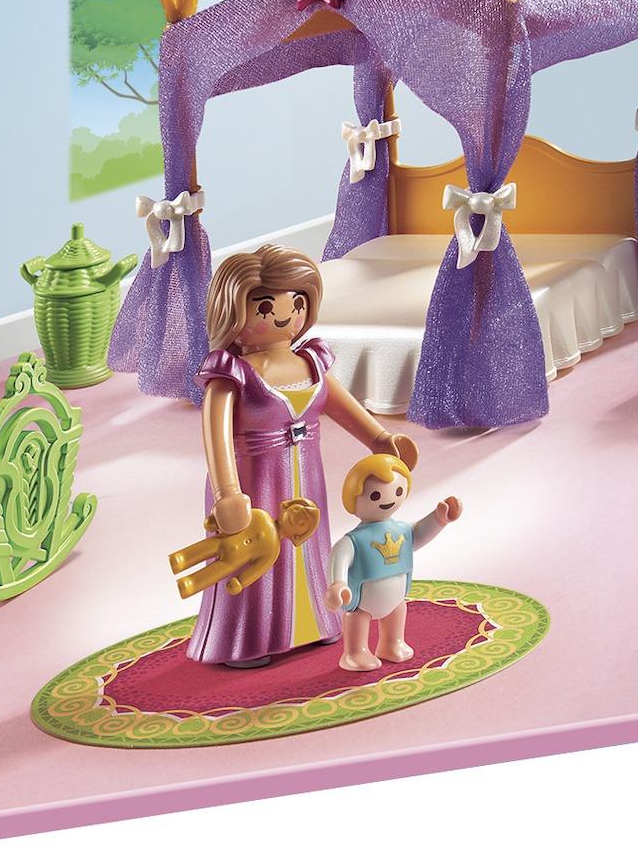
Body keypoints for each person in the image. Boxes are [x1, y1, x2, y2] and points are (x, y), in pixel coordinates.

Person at [190, 246, 417, 668]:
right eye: (265, 307)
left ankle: (316, 622)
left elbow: (343, 406)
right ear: (233, 309)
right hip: (253, 482)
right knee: (255, 553)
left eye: (296, 303)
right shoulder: (231, 373)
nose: (284, 316)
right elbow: (215, 437)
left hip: (307, 478)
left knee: (310, 548)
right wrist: (226, 493)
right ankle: (249, 640)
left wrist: (381, 439)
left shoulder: (310, 363)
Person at [326, 455, 462, 672]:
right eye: (375, 495)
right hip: (362, 600)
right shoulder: (353, 540)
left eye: (398, 491)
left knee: (397, 610)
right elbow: (339, 557)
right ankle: (355, 652)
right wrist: (338, 584)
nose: (388, 498)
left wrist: (439, 518)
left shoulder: (403, 531)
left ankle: (391, 644)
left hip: (396, 596)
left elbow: (420, 533)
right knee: (358, 617)